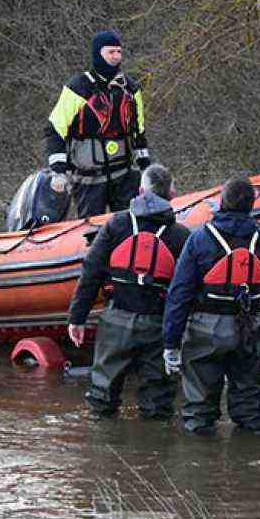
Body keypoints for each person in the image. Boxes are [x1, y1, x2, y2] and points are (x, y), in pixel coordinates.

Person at [66, 164, 190, 419]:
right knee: (158, 405)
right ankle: (154, 454)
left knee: (102, 399)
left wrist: (77, 318)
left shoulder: (116, 225)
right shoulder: (180, 236)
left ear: (141, 190)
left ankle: (102, 453)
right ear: (173, 194)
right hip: (159, 325)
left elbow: (91, 271)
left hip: (116, 321)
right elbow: (187, 290)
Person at [161, 177, 260, 436]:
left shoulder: (200, 239)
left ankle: (200, 466)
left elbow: (179, 294)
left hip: (207, 329)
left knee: (200, 409)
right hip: (248, 326)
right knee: (251, 404)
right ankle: (251, 460)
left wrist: (171, 343)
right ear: (251, 205)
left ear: (221, 202)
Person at [43, 30, 152, 218]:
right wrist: (58, 171)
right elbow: (55, 129)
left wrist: (146, 170)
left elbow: (139, 133)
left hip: (124, 175)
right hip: (88, 179)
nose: (116, 57)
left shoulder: (131, 89)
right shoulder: (78, 87)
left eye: (119, 52)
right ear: (98, 54)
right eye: (111, 52)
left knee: (131, 225)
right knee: (91, 232)